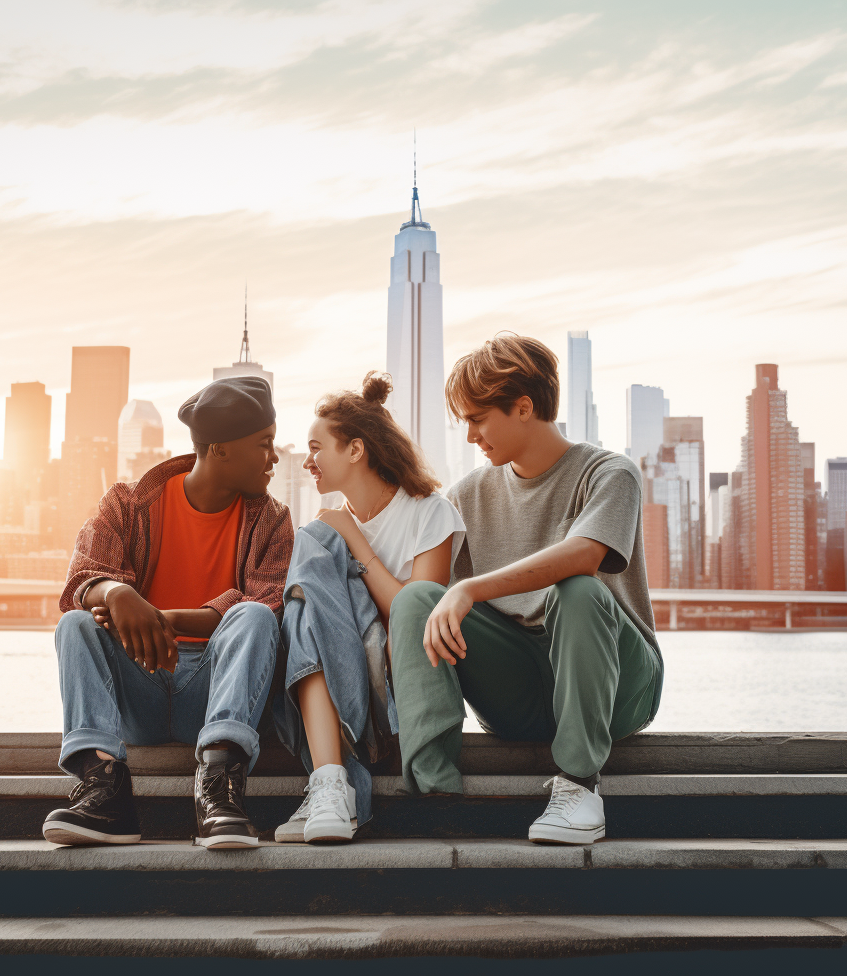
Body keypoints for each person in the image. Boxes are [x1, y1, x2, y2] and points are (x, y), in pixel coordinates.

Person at [389, 334, 663, 844]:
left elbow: (584, 555)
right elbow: (428, 611)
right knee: (416, 599)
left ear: (523, 407)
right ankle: (434, 795)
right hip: (521, 691)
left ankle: (579, 786)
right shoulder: (467, 495)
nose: (470, 435)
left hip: (618, 686)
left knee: (578, 590)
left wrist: (469, 587)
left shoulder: (608, 472)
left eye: (477, 418)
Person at [42, 376, 293, 849]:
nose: (274, 457)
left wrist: (168, 618)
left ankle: (218, 788)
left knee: (256, 618)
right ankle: (105, 788)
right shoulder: (128, 503)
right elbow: (80, 584)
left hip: (218, 692)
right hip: (141, 688)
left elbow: (270, 602)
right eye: (264, 445)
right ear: (219, 449)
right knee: (75, 623)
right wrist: (117, 593)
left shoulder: (273, 519)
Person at [275, 372, 465, 843]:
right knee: (309, 558)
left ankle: (335, 783)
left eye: (317, 448)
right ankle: (331, 783)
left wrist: (355, 541)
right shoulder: (326, 529)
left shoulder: (429, 512)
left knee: (315, 543)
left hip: (401, 688)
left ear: (356, 450)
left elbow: (418, 614)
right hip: (340, 678)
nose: (308, 462)